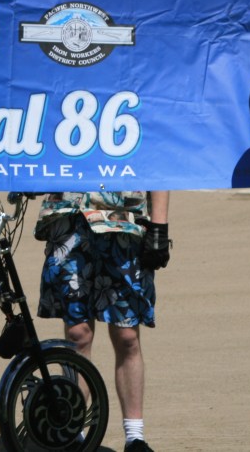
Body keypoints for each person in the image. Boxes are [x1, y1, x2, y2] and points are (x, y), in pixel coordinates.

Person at [35, 190, 171, 452]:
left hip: (126, 223)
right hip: (72, 219)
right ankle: (73, 432)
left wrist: (159, 226)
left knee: (127, 336)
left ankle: (135, 437)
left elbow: (158, 161)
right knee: (78, 335)